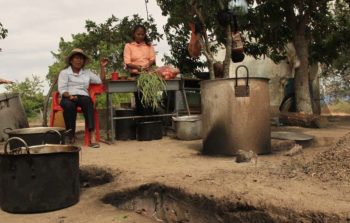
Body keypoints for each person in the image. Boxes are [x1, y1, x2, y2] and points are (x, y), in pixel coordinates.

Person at [58, 48, 108, 148]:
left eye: (81, 59)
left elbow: (100, 81)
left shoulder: (87, 72)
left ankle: (92, 136)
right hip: (68, 96)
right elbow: (62, 89)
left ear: (83, 61)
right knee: (68, 106)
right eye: (76, 58)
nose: (79, 60)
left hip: (82, 96)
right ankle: (70, 135)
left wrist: (102, 67)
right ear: (71, 60)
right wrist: (70, 96)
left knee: (88, 102)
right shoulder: (64, 73)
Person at [123, 24, 157, 115]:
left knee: (150, 97)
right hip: (136, 75)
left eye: (142, 34)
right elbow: (127, 62)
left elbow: (152, 59)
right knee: (140, 97)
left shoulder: (149, 45)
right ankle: (141, 118)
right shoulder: (128, 46)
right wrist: (138, 67)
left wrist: (148, 65)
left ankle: (151, 118)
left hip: (148, 74)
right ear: (134, 34)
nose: (140, 36)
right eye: (138, 34)